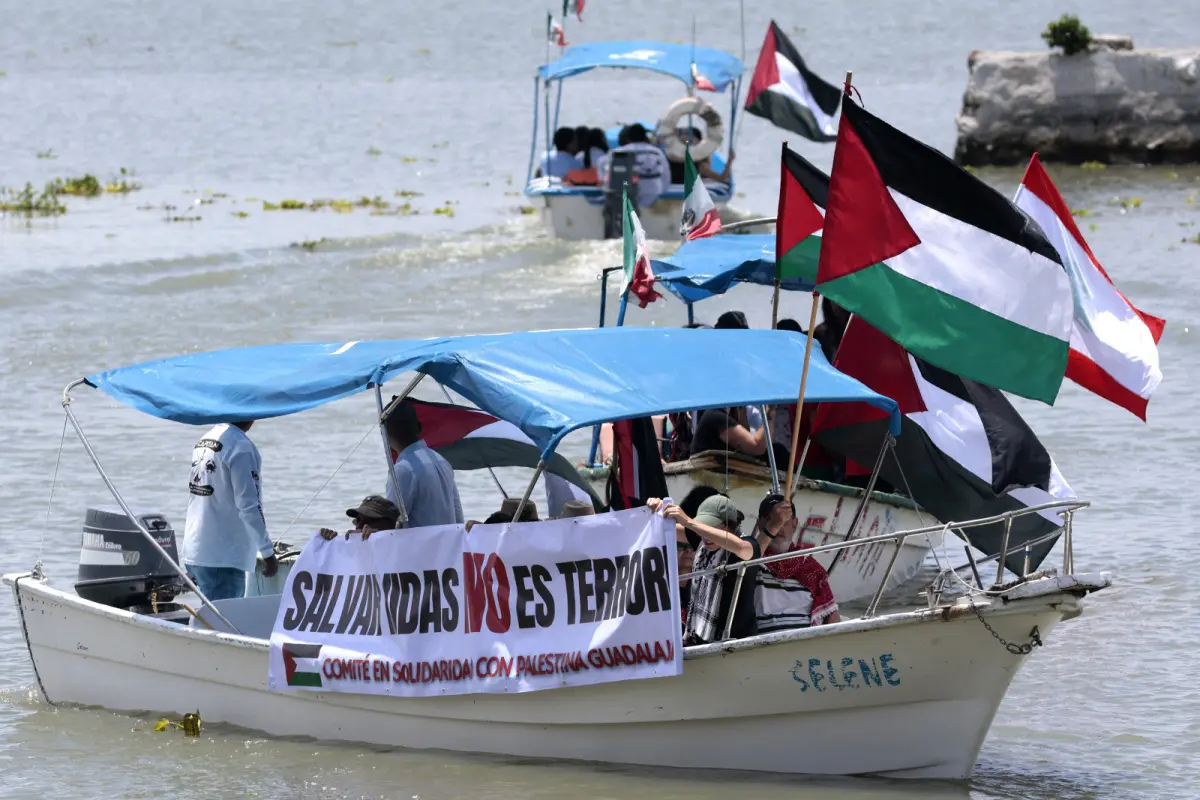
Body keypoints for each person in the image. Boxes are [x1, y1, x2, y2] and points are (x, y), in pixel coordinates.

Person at [182, 420, 278, 601]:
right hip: (223, 558)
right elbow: (249, 505)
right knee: (223, 618)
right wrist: (267, 552)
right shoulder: (241, 446)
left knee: (209, 615)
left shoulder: (206, 439)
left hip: (196, 550)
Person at [647, 493, 760, 644]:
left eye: (711, 527)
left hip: (738, 642)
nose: (705, 535)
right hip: (702, 642)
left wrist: (689, 522)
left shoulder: (748, 543)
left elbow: (742, 548)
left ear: (728, 526)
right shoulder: (702, 541)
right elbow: (664, 527)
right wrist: (657, 509)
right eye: (702, 528)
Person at [753, 494, 840, 629]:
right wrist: (771, 530)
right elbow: (749, 557)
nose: (779, 527)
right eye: (773, 520)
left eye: (784, 521)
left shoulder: (811, 568)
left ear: (794, 524)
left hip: (805, 640)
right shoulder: (749, 564)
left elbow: (832, 619)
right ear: (759, 524)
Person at [383, 399, 464, 528]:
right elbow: (458, 519)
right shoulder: (442, 461)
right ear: (419, 427)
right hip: (449, 540)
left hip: (420, 542)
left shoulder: (402, 470)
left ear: (385, 435)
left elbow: (391, 526)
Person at [601, 123, 670, 208]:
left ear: (627, 138)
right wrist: (663, 190)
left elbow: (603, 167)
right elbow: (666, 177)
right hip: (652, 194)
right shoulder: (657, 152)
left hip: (623, 196)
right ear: (645, 137)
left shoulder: (617, 152)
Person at [666, 127, 734, 184]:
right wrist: (730, 161)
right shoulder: (701, 165)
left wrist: (730, 161)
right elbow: (722, 178)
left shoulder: (701, 166)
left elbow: (722, 178)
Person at [319, 495, 402, 541]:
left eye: (369, 520)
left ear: (390, 525)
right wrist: (331, 545)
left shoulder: (403, 550)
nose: (360, 526)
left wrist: (380, 537)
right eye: (358, 520)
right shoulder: (351, 552)